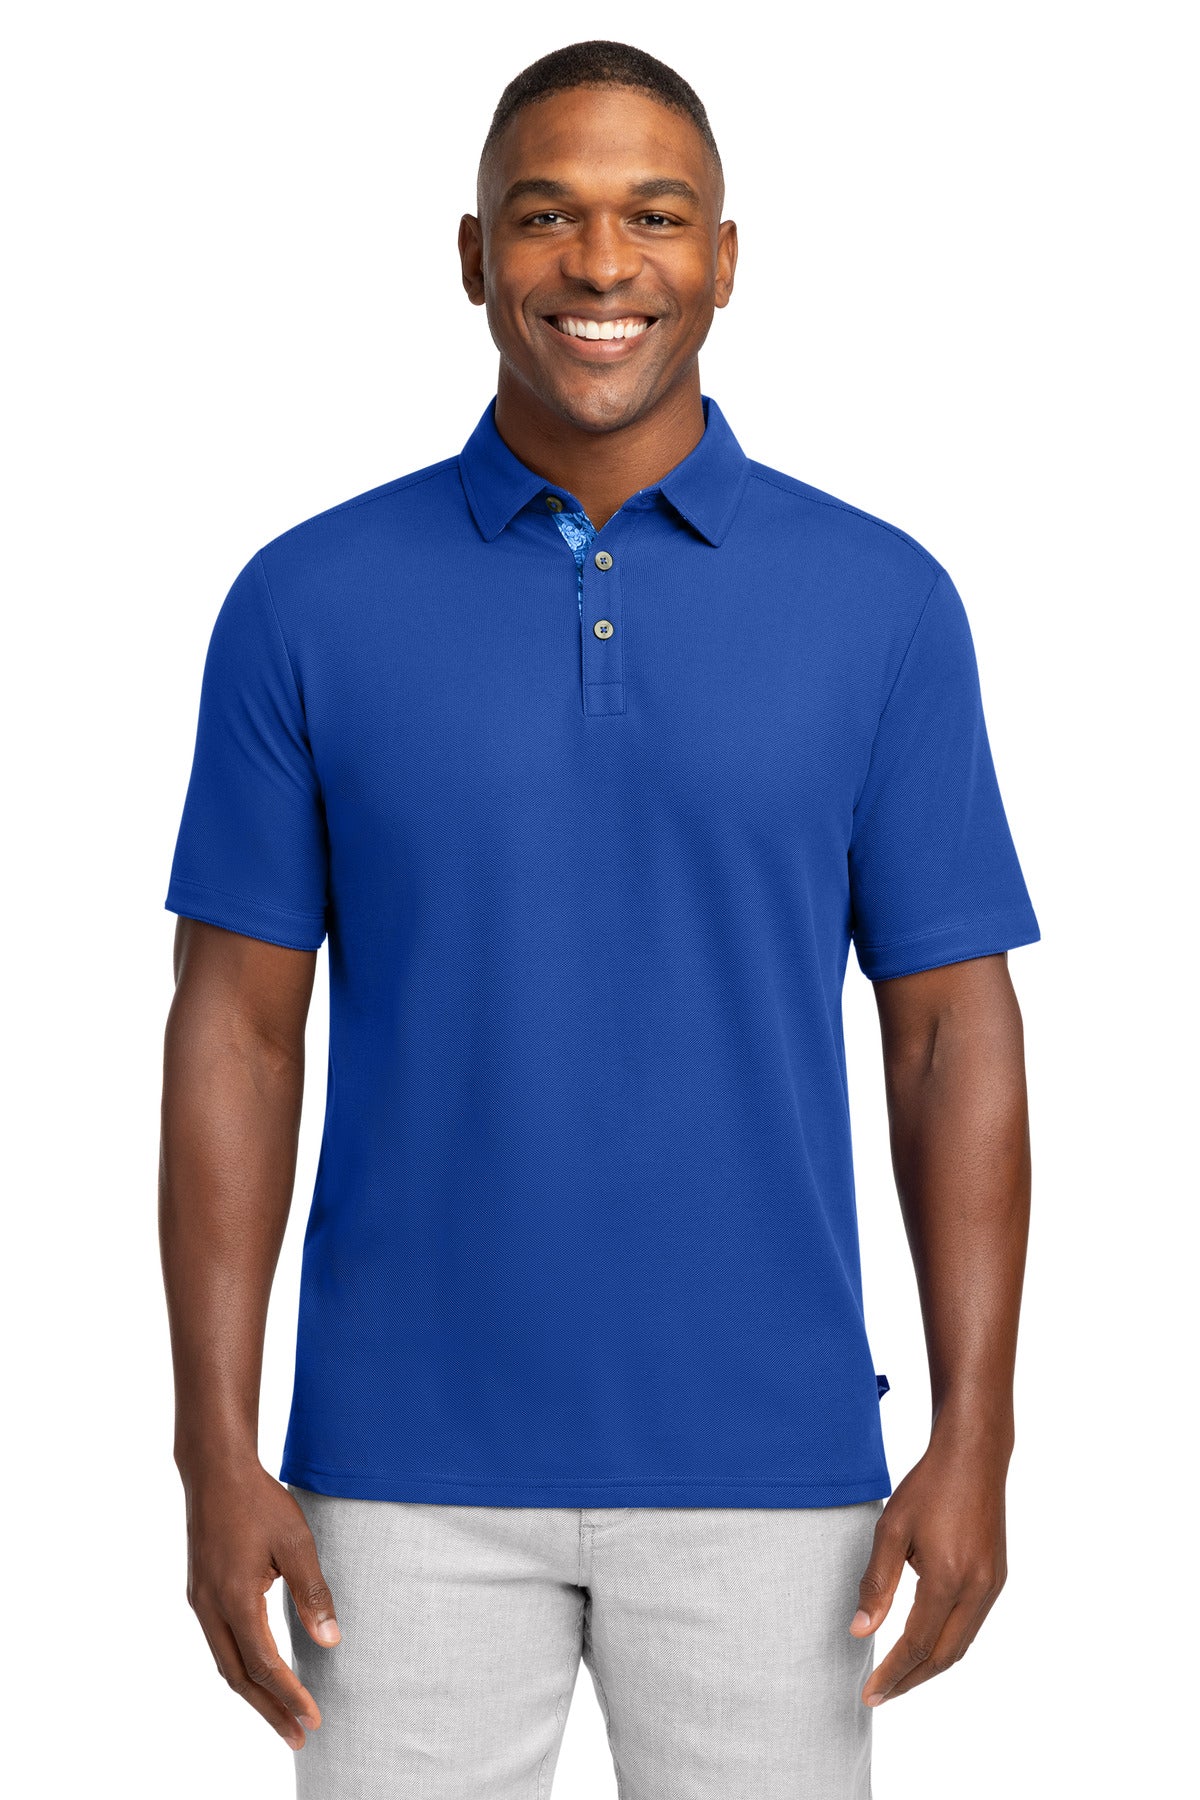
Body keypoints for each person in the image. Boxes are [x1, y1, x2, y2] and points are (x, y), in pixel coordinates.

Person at [159, 39, 1040, 1800]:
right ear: (473, 254)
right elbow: (237, 1034)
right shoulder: (303, 601)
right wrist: (212, 1448)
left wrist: (979, 1432)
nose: (602, 263)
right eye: (546, 215)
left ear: (726, 256)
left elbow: (951, 1029)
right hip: (393, 1477)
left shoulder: (884, 603)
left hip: (775, 1473)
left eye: (656, 214)